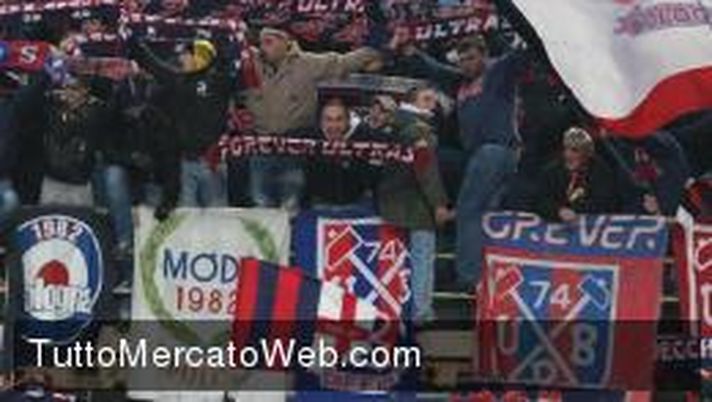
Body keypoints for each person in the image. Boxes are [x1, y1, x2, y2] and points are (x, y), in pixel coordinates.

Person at [391, 33, 527, 291]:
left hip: (496, 150)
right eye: (462, 60)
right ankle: (445, 219)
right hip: (474, 156)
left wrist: (529, 28)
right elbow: (435, 69)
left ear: (485, 56)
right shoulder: (459, 81)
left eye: (472, 58)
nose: (466, 64)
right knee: (436, 158)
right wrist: (411, 51)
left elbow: (519, 55)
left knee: (468, 208)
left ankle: (467, 277)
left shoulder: (497, 73)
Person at [244, 26, 383, 209]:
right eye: (261, 42)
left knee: (291, 204)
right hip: (260, 147)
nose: (263, 47)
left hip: (295, 149)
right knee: (260, 202)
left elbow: (342, 63)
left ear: (286, 42)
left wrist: (374, 51)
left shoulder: (307, 64)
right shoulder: (250, 64)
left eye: (269, 42)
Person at [129, 37, 235, 218]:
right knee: (187, 218)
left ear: (200, 57)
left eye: (186, 55)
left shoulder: (220, 81)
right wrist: (136, 45)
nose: (181, 59)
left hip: (214, 161)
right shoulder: (181, 81)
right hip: (187, 161)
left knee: (218, 217)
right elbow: (156, 67)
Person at [378, 85, 452, 323]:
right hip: (416, 205)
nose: (433, 104)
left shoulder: (394, 124)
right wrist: (438, 203)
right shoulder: (419, 129)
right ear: (413, 102)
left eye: (434, 100)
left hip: (389, 202)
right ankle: (422, 311)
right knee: (423, 257)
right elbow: (426, 169)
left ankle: (392, 309)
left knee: (392, 261)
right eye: (427, 99)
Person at [535, 127, 621, 222]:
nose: (568, 155)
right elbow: (541, 201)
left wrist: (576, 211)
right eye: (566, 149)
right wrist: (558, 211)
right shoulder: (551, 172)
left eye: (574, 150)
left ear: (587, 153)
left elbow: (606, 203)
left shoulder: (601, 172)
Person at [304, 98, 377, 208]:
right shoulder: (306, 137)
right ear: (320, 122)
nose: (334, 125)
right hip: (316, 204)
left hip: (358, 204)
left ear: (348, 121)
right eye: (328, 119)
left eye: (339, 119)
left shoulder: (366, 138)